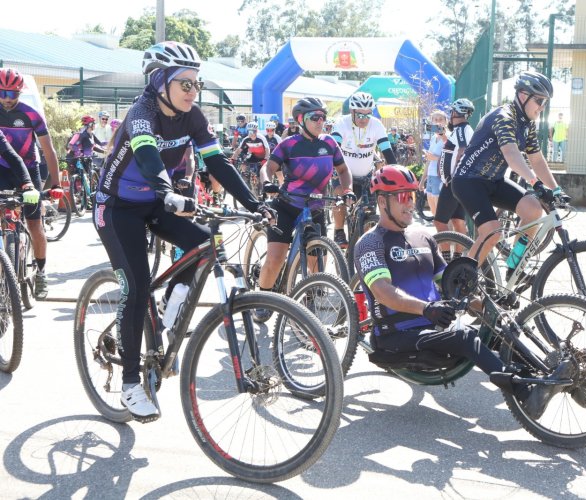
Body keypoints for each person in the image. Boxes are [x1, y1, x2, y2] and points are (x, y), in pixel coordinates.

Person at [94, 41, 274, 421]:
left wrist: (253, 204)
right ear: (161, 81)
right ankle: (129, 384)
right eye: (185, 84)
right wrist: (166, 192)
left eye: (197, 83)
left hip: (156, 203)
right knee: (136, 286)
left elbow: (218, 162)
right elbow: (145, 155)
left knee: (204, 244)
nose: (194, 91)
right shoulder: (142, 113)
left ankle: (169, 304)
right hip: (117, 208)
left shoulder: (192, 116)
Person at [354, 164, 571, 420]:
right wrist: (426, 309)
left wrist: (487, 306)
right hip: (396, 336)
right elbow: (383, 293)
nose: (410, 204)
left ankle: (556, 376)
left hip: (434, 325)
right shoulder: (370, 244)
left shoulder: (423, 237)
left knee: (501, 329)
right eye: (403, 197)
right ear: (382, 201)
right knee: (466, 337)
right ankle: (525, 394)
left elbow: (449, 284)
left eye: (412, 196)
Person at [452, 70, 563, 270]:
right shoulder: (504, 116)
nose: (542, 108)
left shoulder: (527, 124)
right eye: (539, 101)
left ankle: (513, 267)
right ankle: (462, 279)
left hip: (493, 181)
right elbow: (512, 155)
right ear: (523, 95)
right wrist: (535, 183)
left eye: (545, 103)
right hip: (468, 181)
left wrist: (556, 189)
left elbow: (536, 159)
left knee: (533, 209)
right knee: (493, 232)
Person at [256, 97, 352, 321]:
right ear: (301, 120)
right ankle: (263, 297)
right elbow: (267, 168)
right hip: (287, 206)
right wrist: (267, 182)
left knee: (317, 258)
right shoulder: (289, 144)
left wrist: (346, 189)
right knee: (276, 258)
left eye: (323, 117)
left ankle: (309, 296)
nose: (321, 121)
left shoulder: (329, 143)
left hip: (316, 206)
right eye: (315, 117)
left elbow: (343, 170)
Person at [0, 68, 63, 299]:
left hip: (29, 169)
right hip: (2, 169)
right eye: (3, 92)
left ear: (20, 92)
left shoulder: (31, 114)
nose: (7, 98)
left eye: (12, 93)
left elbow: (48, 150)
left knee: (34, 224)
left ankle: (41, 272)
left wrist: (56, 184)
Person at [330, 91, 397, 248]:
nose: (364, 119)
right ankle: (339, 230)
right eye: (360, 115)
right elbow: (333, 149)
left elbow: (387, 151)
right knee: (340, 195)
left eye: (368, 115)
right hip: (344, 174)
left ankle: (362, 245)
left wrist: (396, 169)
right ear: (352, 111)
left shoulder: (376, 125)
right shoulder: (341, 123)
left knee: (368, 215)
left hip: (366, 175)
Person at [434, 98, 474, 260]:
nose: (450, 116)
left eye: (452, 112)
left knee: (439, 222)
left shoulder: (463, 129)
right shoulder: (460, 130)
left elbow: (463, 150)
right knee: (458, 222)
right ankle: (457, 258)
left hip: (452, 184)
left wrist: (455, 176)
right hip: (456, 183)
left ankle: (447, 259)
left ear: (458, 113)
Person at [418, 110, 448, 217]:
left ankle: (447, 234)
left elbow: (452, 156)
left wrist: (434, 158)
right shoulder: (433, 138)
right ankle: (439, 233)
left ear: (446, 122)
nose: (438, 122)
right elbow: (428, 161)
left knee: (441, 213)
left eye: (440, 119)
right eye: (435, 120)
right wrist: (422, 180)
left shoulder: (448, 137)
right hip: (431, 176)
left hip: (440, 176)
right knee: (433, 211)